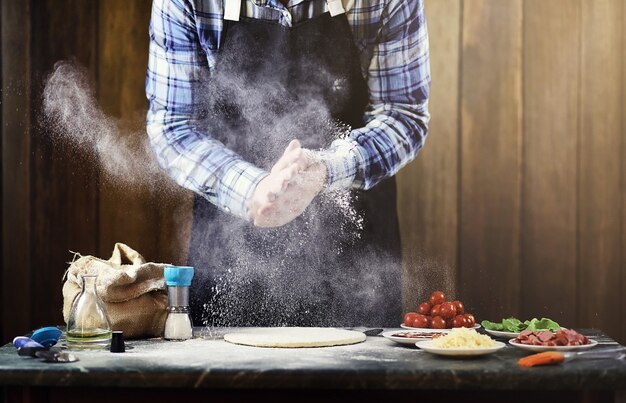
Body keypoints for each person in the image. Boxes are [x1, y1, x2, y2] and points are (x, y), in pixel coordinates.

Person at [146, 0, 430, 327]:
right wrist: (252, 189)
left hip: (358, 253)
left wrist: (327, 169)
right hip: (230, 250)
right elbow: (173, 125)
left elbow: (403, 114)